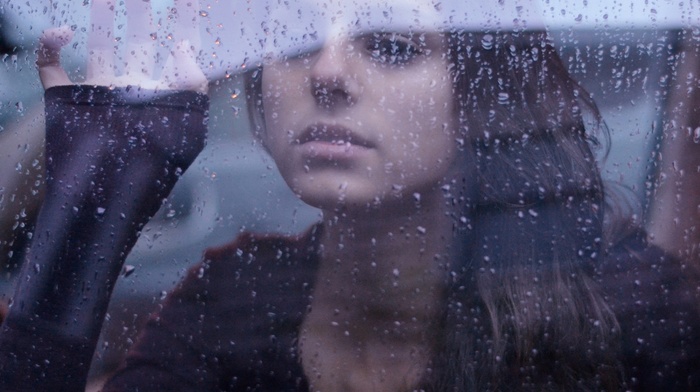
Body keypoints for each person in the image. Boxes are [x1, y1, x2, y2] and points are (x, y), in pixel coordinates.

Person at [0, 0, 698, 391]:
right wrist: (88, 214)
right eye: (297, 42)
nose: (328, 74)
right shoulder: (236, 300)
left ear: (479, 96)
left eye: (391, 45)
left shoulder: (623, 301)